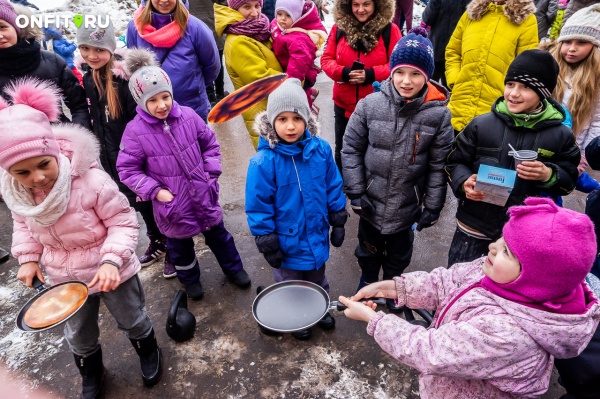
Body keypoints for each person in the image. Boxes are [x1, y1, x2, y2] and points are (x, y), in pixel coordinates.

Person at [339, 197, 600, 399]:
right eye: (502, 237)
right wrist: (395, 288)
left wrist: (374, 320)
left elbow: (431, 351)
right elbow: (447, 281)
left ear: (537, 277)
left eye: (507, 251)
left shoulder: (509, 332)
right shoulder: (500, 274)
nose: (492, 246)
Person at [0, 79, 163, 399]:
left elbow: (123, 221)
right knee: (78, 333)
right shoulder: (19, 194)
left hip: (110, 267)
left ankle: (148, 349)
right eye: (22, 172)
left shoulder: (90, 180)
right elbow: (23, 224)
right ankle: (92, 371)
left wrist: (111, 260)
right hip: (64, 275)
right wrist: (28, 258)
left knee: (131, 316)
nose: (37, 178)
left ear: (54, 151)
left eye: (43, 165)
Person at [117, 49, 252, 300]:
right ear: (141, 101)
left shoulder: (188, 116)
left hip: (203, 194)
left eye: (165, 97)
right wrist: (156, 191)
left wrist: (210, 174)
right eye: (153, 100)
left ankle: (234, 269)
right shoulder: (135, 131)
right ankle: (190, 280)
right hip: (172, 204)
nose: (161, 105)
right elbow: (127, 169)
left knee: (220, 237)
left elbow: (210, 144)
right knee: (180, 248)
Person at [342, 28, 453, 311]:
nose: (406, 80)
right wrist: (356, 191)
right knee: (368, 248)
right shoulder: (369, 104)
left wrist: (433, 204)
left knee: (400, 253)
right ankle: (368, 279)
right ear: (391, 71)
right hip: (370, 203)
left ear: (427, 76)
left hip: (407, 206)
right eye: (400, 72)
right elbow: (351, 148)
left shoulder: (439, 114)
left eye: (415, 74)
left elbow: (439, 164)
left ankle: (393, 286)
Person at [445, 49, 580, 267]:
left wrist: (548, 174)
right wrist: (463, 182)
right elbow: (454, 162)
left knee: (505, 288)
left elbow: (569, 180)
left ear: (543, 93)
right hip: (474, 223)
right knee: (458, 280)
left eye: (525, 87)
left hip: (522, 231)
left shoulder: (560, 135)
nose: (514, 93)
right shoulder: (482, 124)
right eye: (510, 84)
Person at [245, 78, 348, 340]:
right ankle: (296, 315)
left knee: (317, 277)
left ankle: (320, 306)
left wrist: (338, 216)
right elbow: (258, 206)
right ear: (271, 122)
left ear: (306, 119)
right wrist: (267, 240)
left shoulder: (321, 150)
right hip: (286, 243)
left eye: (297, 118)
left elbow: (333, 184)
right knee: (291, 283)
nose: (290, 126)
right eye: (282, 119)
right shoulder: (263, 162)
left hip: (316, 235)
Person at [75, 18, 173, 277]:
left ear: (110, 49)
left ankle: (173, 244)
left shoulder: (125, 81)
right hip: (110, 155)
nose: (91, 55)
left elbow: (143, 121)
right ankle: (158, 239)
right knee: (134, 201)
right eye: (85, 48)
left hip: (136, 155)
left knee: (151, 199)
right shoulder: (88, 77)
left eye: (98, 49)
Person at [321, 0, 401, 171]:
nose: (360, 9)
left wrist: (371, 75)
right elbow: (326, 60)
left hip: (377, 105)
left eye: (366, 4)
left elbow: (398, 64)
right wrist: (343, 72)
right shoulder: (339, 28)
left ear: (377, 5)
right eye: (356, 4)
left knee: (374, 152)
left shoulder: (389, 30)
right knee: (343, 150)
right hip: (344, 104)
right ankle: (343, 189)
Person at [445, 0, 538, 134]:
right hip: (457, 110)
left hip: (495, 116)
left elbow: (526, 67)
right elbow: (453, 51)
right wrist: (455, 79)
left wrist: (510, 94)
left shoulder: (526, 20)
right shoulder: (472, 14)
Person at [0, 0, 90, 129]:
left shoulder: (52, 62)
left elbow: (80, 106)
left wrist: (74, 139)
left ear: (17, 28)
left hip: (56, 145)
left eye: (2, 26)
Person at [127, 0, 220, 121]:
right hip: (153, 112)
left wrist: (194, 87)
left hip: (191, 110)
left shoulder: (195, 28)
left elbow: (212, 66)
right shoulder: (135, 28)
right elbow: (134, 71)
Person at [214, 0, 283, 149]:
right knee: (276, 164)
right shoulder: (239, 41)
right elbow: (263, 79)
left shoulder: (257, 31)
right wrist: (299, 78)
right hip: (265, 115)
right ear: (234, 9)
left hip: (276, 108)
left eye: (257, 6)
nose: (254, 13)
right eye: (247, 7)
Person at [271, 0, 327, 107]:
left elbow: (298, 64)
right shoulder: (278, 26)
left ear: (297, 17)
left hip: (300, 75)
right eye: (279, 14)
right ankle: (311, 94)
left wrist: (290, 83)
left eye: (288, 15)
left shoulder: (298, 39)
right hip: (285, 66)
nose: (282, 18)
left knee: (300, 100)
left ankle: (309, 111)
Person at [188, 0, 230, 105]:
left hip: (193, 26)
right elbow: (224, 3)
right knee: (217, 62)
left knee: (202, 64)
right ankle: (220, 93)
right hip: (213, 23)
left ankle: (210, 97)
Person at [421, 0, 470, 87]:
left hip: (437, 45)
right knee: (450, 87)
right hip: (456, 50)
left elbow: (428, 18)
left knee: (429, 85)